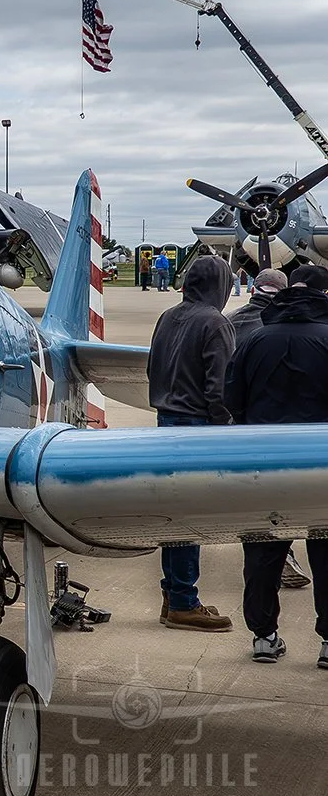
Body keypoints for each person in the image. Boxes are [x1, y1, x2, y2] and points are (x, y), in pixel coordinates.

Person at [225, 264, 328, 666]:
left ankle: (264, 636)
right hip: (321, 462)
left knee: (263, 554)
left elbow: (232, 399)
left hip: (263, 461)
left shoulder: (255, 339)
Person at [147, 255, 235, 631]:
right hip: (197, 425)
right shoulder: (216, 323)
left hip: (166, 421)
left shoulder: (168, 317)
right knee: (191, 517)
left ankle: (172, 594)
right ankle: (184, 601)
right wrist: (223, 429)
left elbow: (152, 367)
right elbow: (220, 387)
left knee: (174, 511)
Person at [225, 268, 311, 589]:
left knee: (254, 496)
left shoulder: (230, 322)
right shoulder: (284, 325)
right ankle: (282, 554)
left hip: (240, 425)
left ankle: (261, 560)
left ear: (253, 289)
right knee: (283, 495)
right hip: (280, 425)